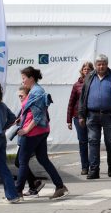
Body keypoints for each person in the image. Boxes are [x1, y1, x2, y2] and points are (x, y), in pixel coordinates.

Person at [16, 67, 68, 200]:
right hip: (39, 131)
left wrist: (26, 130)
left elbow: (38, 116)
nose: (22, 81)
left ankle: (17, 192)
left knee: (22, 161)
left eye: (24, 78)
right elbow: (30, 111)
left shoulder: (37, 92)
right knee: (42, 159)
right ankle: (60, 186)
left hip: (34, 132)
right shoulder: (34, 90)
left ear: (31, 78)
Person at [78, 54, 111, 179]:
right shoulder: (89, 77)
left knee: (110, 142)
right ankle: (94, 170)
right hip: (92, 115)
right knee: (93, 142)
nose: (101, 66)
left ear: (107, 64)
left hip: (109, 115)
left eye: (104, 64)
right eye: (99, 64)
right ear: (95, 65)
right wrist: (81, 115)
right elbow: (82, 97)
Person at [14, 86, 44, 197]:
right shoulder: (24, 106)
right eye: (19, 96)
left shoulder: (30, 104)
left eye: (21, 96)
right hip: (27, 136)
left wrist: (26, 129)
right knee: (20, 162)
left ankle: (20, 189)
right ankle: (34, 184)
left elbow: (35, 118)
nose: (20, 98)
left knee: (21, 162)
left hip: (30, 136)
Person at [66, 61, 94, 175]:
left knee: (93, 141)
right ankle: (84, 166)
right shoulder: (76, 85)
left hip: (92, 116)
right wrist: (68, 120)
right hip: (78, 117)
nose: (86, 71)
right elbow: (71, 103)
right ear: (81, 71)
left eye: (89, 69)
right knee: (83, 142)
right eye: (84, 69)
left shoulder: (95, 83)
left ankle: (93, 165)